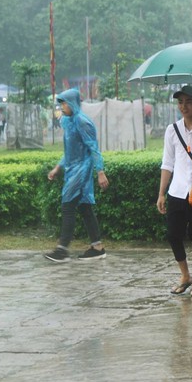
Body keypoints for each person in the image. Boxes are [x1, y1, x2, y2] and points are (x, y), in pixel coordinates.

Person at [157, 85, 192, 297]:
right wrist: (161, 193)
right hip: (177, 191)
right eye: (180, 102)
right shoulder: (172, 130)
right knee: (173, 235)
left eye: (188, 101)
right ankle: (185, 275)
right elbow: (167, 163)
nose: (184, 106)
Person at [44, 89, 109, 263]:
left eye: (64, 103)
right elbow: (70, 151)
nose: (62, 106)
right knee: (84, 207)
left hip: (82, 170)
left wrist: (100, 171)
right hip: (72, 169)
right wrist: (58, 167)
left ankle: (62, 250)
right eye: (61, 103)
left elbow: (93, 148)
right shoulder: (68, 121)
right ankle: (97, 247)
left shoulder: (82, 121)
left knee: (67, 205)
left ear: (73, 103)